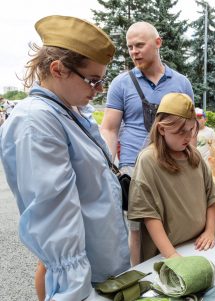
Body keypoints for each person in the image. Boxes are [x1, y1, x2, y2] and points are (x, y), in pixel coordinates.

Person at [0, 15, 130, 301]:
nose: (99, 90)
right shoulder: (37, 121)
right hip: (84, 279)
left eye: (102, 81)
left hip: (100, 262)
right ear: (58, 70)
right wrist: (76, 292)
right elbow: (55, 221)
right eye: (93, 80)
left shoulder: (69, 111)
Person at [100, 21, 194, 266]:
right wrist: (111, 168)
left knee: (174, 222)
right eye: (130, 47)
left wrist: (191, 160)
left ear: (158, 42)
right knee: (137, 230)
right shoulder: (121, 83)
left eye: (139, 45)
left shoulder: (182, 83)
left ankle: (174, 269)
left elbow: (190, 128)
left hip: (172, 164)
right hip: (134, 169)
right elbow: (109, 129)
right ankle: (139, 276)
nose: (134, 52)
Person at [127, 93, 215, 260]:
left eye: (192, 129)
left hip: (200, 245)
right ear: (162, 129)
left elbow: (211, 197)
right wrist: (172, 256)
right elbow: (149, 215)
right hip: (165, 254)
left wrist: (209, 231)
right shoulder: (148, 160)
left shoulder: (195, 156)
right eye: (180, 131)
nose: (189, 136)